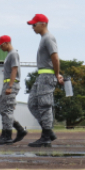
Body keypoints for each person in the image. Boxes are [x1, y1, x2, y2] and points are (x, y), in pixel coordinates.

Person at [26, 14, 63, 147]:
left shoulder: (48, 38)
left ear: (43, 24)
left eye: (34, 25)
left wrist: (57, 74)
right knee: (32, 103)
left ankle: (46, 137)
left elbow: (55, 57)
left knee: (44, 106)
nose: (32, 27)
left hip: (47, 76)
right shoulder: (44, 39)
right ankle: (49, 132)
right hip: (42, 75)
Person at [0, 35, 29, 144]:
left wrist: (10, 86)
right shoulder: (9, 55)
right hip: (7, 84)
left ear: (7, 43)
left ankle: (7, 135)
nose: (0, 47)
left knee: (6, 110)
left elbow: (14, 69)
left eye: (1, 45)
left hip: (10, 84)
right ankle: (18, 130)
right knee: (2, 109)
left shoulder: (13, 54)